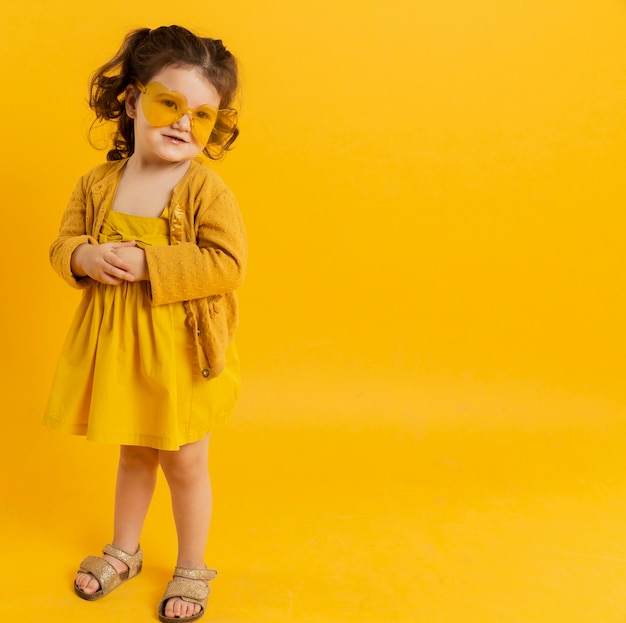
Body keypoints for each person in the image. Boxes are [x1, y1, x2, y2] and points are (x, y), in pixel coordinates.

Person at [43, 25, 247, 622]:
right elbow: (62, 244)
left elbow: (228, 264)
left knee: (184, 460)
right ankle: (124, 550)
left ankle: (191, 563)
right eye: (170, 104)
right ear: (132, 102)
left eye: (204, 115)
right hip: (121, 349)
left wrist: (151, 261)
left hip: (183, 350)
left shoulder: (205, 189)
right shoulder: (98, 183)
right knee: (133, 455)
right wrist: (82, 256)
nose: (185, 123)